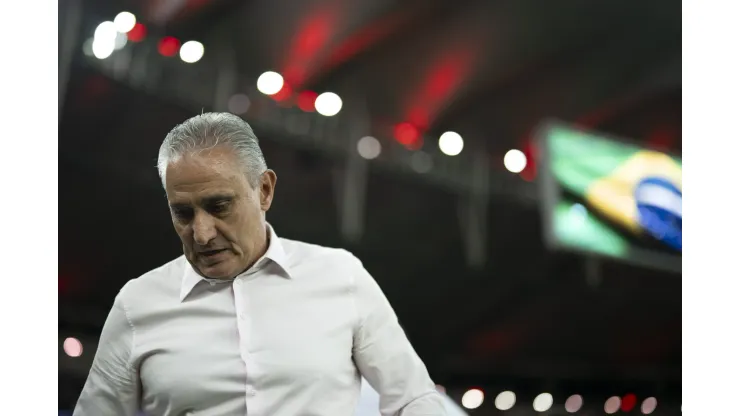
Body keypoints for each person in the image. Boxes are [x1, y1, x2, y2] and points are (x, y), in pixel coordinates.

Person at [73, 112, 446, 416]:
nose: (201, 233)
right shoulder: (138, 304)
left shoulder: (341, 276)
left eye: (219, 206)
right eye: (182, 213)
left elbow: (413, 399)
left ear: (264, 190)